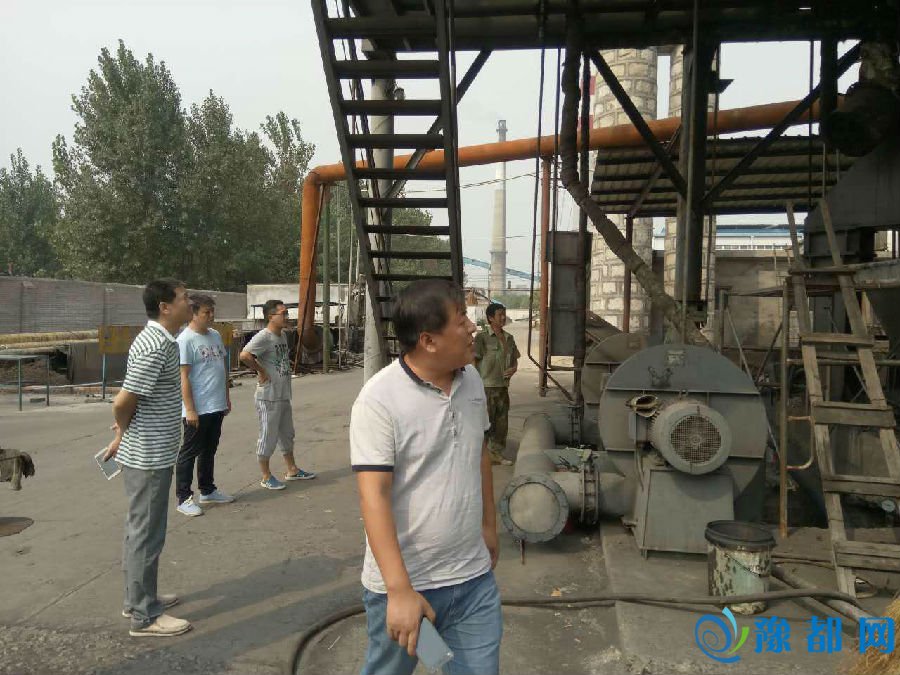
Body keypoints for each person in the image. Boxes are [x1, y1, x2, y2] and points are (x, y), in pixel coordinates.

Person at [350, 279, 502, 675]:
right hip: (407, 586)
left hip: (472, 580)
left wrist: (489, 526)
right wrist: (399, 590)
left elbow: (479, 454)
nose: (472, 328)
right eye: (461, 320)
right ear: (429, 341)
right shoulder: (379, 399)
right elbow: (373, 496)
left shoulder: (471, 381)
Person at [103, 278, 193, 637]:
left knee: (139, 531)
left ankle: (138, 598)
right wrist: (123, 429)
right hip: (149, 456)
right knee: (147, 535)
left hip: (150, 451)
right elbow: (123, 401)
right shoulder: (156, 345)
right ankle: (144, 615)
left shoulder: (160, 340)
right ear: (165, 307)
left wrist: (124, 432)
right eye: (184, 298)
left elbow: (137, 398)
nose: (189, 303)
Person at [239, 299, 315, 490]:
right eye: (283, 313)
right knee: (268, 436)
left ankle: (292, 469)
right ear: (270, 316)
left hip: (283, 394)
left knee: (287, 434)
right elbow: (245, 355)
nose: (287, 316)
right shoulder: (264, 336)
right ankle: (266, 476)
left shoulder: (282, 336)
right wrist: (261, 371)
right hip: (268, 397)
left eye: (287, 313)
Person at [174, 293, 234, 517]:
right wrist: (190, 409)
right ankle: (184, 498)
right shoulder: (185, 340)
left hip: (216, 404)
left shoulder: (215, 335)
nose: (211, 316)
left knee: (209, 449)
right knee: (189, 453)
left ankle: (207, 490)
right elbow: (184, 377)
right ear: (193, 314)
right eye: (206, 312)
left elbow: (222, 368)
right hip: (197, 408)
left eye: (212, 311)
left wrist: (225, 397)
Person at [473, 303, 520, 466]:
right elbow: (473, 362)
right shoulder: (482, 338)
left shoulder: (509, 338)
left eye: (504, 314)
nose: (503, 317)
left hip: (502, 387)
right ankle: (480, 455)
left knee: (501, 423)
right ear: (490, 318)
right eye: (500, 314)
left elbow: (514, 360)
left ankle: (496, 454)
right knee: (484, 423)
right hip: (486, 387)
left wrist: (514, 369)